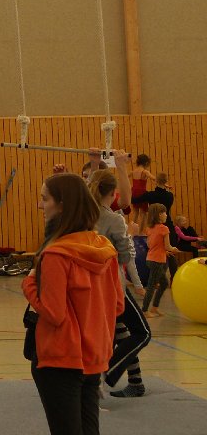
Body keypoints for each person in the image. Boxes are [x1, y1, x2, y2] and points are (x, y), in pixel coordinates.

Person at [24, 173, 123, 435]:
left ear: (62, 205)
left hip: (61, 358)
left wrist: (29, 284)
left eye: (45, 199)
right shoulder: (105, 249)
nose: (40, 205)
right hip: (94, 356)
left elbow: (54, 313)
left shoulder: (57, 254)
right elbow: (118, 305)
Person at [87, 155, 151, 399]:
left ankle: (136, 381)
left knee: (121, 332)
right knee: (142, 332)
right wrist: (129, 235)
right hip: (112, 286)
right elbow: (126, 256)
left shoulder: (83, 213)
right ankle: (106, 373)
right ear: (112, 193)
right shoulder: (112, 218)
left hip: (93, 286)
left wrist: (97, 163)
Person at [141, 203, 180, 316]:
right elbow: (168, 246)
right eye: (164, 213)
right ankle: (145, 310)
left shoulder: (149, 228)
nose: (166, 215)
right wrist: (173, 249)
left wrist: (164, 251)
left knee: (164, 283)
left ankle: (154, 308)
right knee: (151, 286)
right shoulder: (164, 228)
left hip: (150, 259)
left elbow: (150, 245)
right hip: (157, 261)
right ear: (159, 215)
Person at [129, 154, 156, 222]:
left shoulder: (133, 172)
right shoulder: (145, 172)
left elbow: (123, 178)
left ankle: (132, 228)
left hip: (134, 193)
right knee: (143, 213)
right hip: (142, 193)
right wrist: (164, 184)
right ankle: (142, 228)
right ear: (146, 163)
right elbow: (154, 178)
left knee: (135, 213)